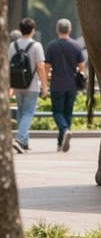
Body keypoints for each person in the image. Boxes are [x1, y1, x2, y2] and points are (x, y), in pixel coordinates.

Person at [44, 18, 85, 153]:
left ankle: (64, 131)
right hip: (72, 84)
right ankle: (60, 142)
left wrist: (45, 81)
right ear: (70, 30)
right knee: (68, 113)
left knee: (57, 112)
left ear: (57, 30)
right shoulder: (76, 46)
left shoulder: (51, 46)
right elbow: (81, 66)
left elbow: (47, 66)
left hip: (57, 84)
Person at [9, 17, 48, 154]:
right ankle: (19, 139)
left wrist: (10, 86)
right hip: (31, 85)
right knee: (28, 113)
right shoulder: (36, 46)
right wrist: (44, 86)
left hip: (17, 84)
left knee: (21, 111)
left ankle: (24, 143)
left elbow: (8, 66)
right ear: (33, 30)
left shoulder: (13, 46)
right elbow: (40, 67)